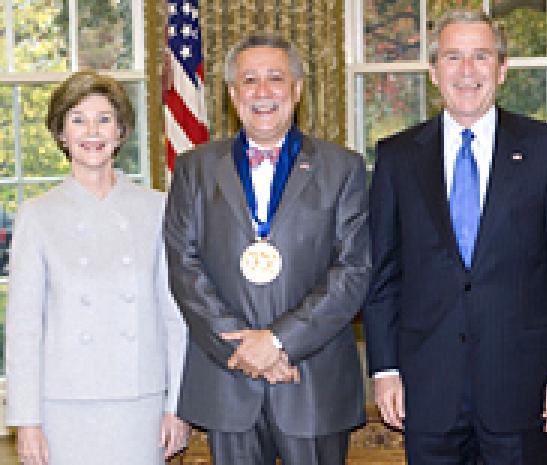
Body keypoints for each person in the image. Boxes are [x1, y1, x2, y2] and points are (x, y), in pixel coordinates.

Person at [363, 9, 547, 465]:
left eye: (480, 57)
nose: (466, 71)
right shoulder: (396, 157)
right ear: (433, 72)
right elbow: (382, 277)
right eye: (453, 57)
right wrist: (385, 369)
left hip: (523, 394)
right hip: (426, 394)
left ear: (502, 68)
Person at [164, 34, 370, 465]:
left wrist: (278, 342)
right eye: (249, 80)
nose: (262, 92)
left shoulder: (343, 168)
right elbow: (184, 267)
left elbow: (352, 269)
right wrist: (245, 353)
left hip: (311, 382)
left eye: (275, 79)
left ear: (296, 90)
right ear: (233, 94)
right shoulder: (194, 168)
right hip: (228, 380)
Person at [6, 71, 189, 465]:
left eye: (104, 119)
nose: (92, 131)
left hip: (141, 405)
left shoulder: (157, 209)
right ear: (61, 133)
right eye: (78, 119)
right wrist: (26, 421)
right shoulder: (37, 216)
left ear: (121, 131)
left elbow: (174, 316)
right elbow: (24, 327)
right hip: (62, 408)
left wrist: (177, 403)